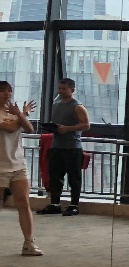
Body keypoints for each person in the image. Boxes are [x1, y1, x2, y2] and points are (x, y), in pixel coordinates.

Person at [37, 78, 89, 217]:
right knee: (55, 177)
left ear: (72, 90)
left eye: (64, 89)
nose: (60, 91)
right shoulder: (56, 104)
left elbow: (86, 125)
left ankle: (74, 205)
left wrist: (67, 128)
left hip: (72, 147)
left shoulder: (78, 106)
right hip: (56, 145)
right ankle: (55, 204)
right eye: (59, 88)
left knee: (74, 178)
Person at [0, 82, 41, 256]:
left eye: (9, 91)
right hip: (1, 166)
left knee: (24, 203)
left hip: (18, 164)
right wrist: (23, 114)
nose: (7, 94)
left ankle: (29, 243)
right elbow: (10, 128)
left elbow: (30, 128)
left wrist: (19, 114)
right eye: (2, 91)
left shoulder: (14, 112)